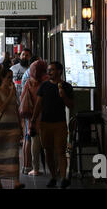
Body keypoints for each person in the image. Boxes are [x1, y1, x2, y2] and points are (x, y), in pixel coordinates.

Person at [31, 61, 74, 189]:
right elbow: (38, 104)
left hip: (60, 123)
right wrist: (33, 121)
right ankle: (53, 177)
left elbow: (71, 105)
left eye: (52, 70)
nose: (49, 72)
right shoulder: (44, 86)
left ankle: (63, 178)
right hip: (45, 123)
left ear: (59, 71)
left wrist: (63, 96)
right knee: (48, 151)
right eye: (48, 70)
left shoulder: (66, 86)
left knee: (60, 151)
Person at [0, 68, 24, 189]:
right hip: (0, 127)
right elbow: (1, 108)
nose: (11, 80)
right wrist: (11, 94)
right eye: (8, 77)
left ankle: (16, 180)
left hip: (13, 126)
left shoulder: (13, 91)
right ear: (2, 78)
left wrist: (20, 127)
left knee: (14, 154)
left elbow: (15, 108)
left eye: (12, 77)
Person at [20, 59, 48, 176]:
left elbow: (22, 98)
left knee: (34, 142)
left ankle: (34, 168)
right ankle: (53, 167)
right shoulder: (48, 81)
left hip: (32, 117)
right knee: (48, 144)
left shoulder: (28, 82)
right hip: (47, 116)